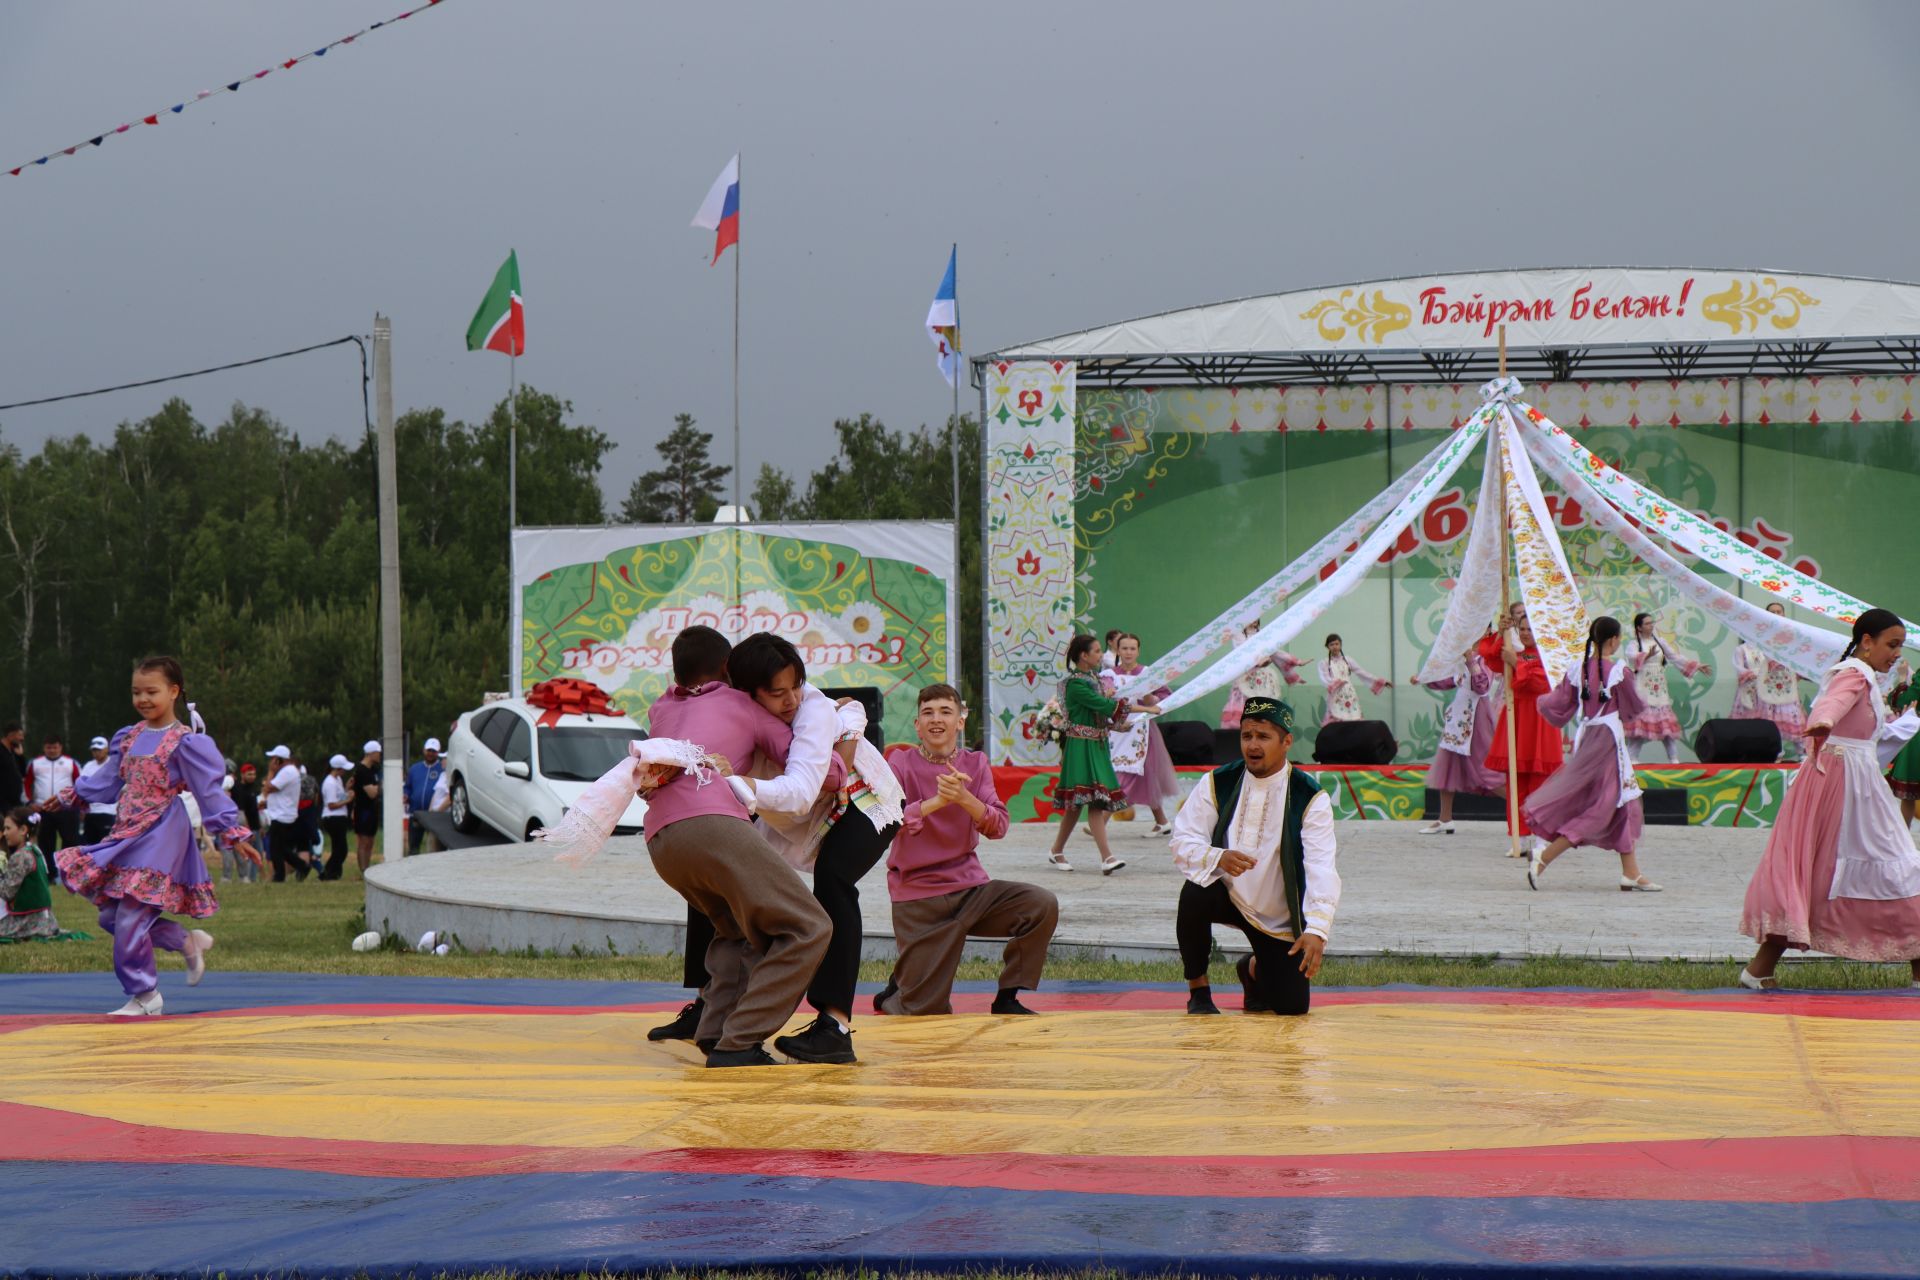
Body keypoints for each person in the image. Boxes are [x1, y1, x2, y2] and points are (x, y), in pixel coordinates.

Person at [643, 625, 836, 1067]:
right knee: (809, 927)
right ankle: (740, 1041)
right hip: (711, 824)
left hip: (661, 842)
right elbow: (813, 766)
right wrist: (842, 732)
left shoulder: (662, 708)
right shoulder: (740, 703)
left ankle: (713, 1033)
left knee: (733, 929)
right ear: (729, 671)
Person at [728, 633, 905, 1064]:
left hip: (867, 802)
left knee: (834, 879)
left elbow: (802, 790)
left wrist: (748, 785)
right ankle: (715, 1004)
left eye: (795, 686)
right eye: (777, 692)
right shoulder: (740, 717)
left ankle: (835, 1026)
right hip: (820, 816)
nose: (790, 699)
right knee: (730, 870)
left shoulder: (811, 709)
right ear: (749, 694)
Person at [55, 656, 262, 1015]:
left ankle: (145, 995)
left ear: (174, 691)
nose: (143, 699)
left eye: (152, 691)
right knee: (110, 917)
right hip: (128, 830)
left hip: (162, 832)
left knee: (131, 915)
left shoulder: (185, 742)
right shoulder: (130, 735)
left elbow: (208, 792)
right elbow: (108, 781)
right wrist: (72, 795)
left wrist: (232, 832)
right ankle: (186, 942)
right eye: (137, 692)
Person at [1739, 609, 1920, 990]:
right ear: (1866, 642)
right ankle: (1759, 968)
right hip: (1838, 784)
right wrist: (1823, 721)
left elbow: (1867, 740)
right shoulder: (1853, 674)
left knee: (1834, 871)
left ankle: (1759, 969)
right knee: (1887, 867)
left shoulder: (1867, 678)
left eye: (1899, 647)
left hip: (1853, 781)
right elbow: (1833, 705)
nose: (1895, 655)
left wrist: (1908, 721)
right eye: (1891, 645)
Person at [872, 684, 1055, 1016]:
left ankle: (1008, 997)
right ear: (917, 725)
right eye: (928, 713)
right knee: (925, 1011)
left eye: (945, 712)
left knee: (1040, 904)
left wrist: (964, 799)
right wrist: (937, 802)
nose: (936, 720)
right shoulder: (899, 763)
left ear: (960, 721)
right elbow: (887, 818)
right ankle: (896, 990)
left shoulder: (975, 762)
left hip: (971, 889)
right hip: (918, 895)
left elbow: (998, 826)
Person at [1170, 696, 1339, 1016]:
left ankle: (1252, 969)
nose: (1253, 745)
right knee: (1194, 891)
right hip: (1228, 895)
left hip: (1277, 918)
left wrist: (1318, 928)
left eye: (1263, 737)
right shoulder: (1218, 782)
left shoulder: (1309, 797)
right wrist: (1216, 857)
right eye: (1247, 736)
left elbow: (1321, 865)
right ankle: (1199, 992)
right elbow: (1183, 839)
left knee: (1292, 1008)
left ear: (1286, 741)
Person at [1522, 616, 1662, 892]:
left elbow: (1559, 704)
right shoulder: (1619, 671)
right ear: (1614, 640)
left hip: (1588, 737)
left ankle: (1631, 872)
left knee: (1625, 802)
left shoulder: (1577, 669)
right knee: (1603, 806)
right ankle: (1545, 857)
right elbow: (1633, 707)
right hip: (1609, 740)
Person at [1048, 634, 1159, 875]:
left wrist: (1115, 726)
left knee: (1095, 801)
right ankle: (1104, 857)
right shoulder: (1076, 684)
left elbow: (1099, 715)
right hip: (1080, 748)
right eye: (1097, 651)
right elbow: (1106, 706)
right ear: (1083, 656)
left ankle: (1068, 851)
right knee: (1081, 803)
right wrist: (1147, 708)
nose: (1101, 655)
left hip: (1096, 746)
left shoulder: (1094, 679)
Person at [1481, 606, 1563, 857]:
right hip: (1516, 718)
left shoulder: (1549, 657)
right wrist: (1501, 632)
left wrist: (1515, 662)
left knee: (1539, 783)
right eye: (1523, 629)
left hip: (1540, 722)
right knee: (1515, 782)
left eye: (1531, 630)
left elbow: (1539, 683)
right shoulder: (1517, 652)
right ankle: (1520, 836)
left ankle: (1540, 838)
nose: (1526, 634)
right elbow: (1492, 659)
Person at [1414, 637, 1503, 834]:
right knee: (1448, 766)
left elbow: (1483, 687)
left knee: (1486, 770)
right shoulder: (1462, 659)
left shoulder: (1485, 659)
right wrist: (1424, 679)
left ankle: (1522, 811)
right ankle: (1445, 818)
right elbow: (1449, 681)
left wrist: (1471, 660)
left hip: (1477, 718)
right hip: (1458, 718)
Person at [1111, 633, 1180, 836]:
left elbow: (1164, 698)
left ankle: (1103, 817)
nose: (1128, 652)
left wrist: (1148, 696)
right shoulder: (1109, 675)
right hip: (1117, 733)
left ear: (1138, 650)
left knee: (1137, 772)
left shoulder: (1148, 674)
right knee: (1138, 775)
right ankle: (1162, 821)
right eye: (1124, 648)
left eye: (1132, 648)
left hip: (1143, 732)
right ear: (1118, 650)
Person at [1622, 612, 1711, 763]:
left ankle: (1673, 759)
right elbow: (1630, 656)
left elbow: (1675, 657)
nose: (1651, 626)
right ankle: (1632, 759)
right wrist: (1645, 656)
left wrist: (1696, 665)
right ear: (1639, 627)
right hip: (1643, 686)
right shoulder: (1634, 644)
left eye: (1652, 622)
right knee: (1639, 727)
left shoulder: (1660, 641)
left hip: (1659, 688)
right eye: (1647, 623)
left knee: (1666, 727)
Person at [1732, 602, 1808, 762]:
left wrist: (1804, 673)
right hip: (1768, 686)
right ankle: (1777, 753)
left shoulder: (1792, 636)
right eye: (1772, 612)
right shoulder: (1761, 639)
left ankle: (1803, 753)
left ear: (1784, 614)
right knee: (1773, 721)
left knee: (1793, 717)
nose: (1776, 614)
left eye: (1779, 611)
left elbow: (1799, 659)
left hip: (1785, 685)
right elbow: (1759, 660)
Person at [1220, 620, 1306, 731]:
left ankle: (1260, 730)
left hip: (1261, 676)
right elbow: (1242, 650)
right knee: (1243, 704)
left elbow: (1275, 652)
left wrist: (1296, 661)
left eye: (1257, 618)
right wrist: (1257, 661)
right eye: (1252, 618)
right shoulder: (1238, 635)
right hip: (1246, 675)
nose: (1254, 621)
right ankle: (1240, 731)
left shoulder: (1263, 635)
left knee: (1263, 707)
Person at [0, 808, 60, 941]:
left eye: (8, 828)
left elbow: (6, 893)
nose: (4, 833)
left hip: (27, 921)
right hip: (46, 920)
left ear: (23, 830)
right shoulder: (36, 851)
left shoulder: (21, 856)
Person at [26, 735, 83, 856]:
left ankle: (68, 871)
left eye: (55, 747)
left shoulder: (70, 763)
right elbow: (26, 785)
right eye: (49, 747)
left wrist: (81, 806)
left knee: (70, 841)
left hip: (66, 808)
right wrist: (30, 802)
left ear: (60, 747)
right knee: (45, 843)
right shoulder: (35, 763)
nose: (52, 750)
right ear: (44, 748)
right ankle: (49, 873)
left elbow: (80, 785)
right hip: (43, 808)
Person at [1318, 634, 1390, 726]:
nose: (1335, 647)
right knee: (1336, 722)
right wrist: (1336, 683)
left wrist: (1381, 681)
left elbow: (1362, 672)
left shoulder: (1347, 660)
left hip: (1350, 694)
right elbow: (1324, 678)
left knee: (1354, 720)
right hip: (1335, 695)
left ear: (1340, 645)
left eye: (1337, 644)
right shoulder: (1324, 663)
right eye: (1332, 644)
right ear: (1327, 646)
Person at [261, 745, 307, 882]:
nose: (272, 762)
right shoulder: (288, 771)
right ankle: (301, 866)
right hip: (282, 813)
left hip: (282, 815)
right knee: (280, 848)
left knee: (275, 849)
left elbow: (269, 787)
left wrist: (271, 771)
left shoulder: (287, 771)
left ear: (280, 760)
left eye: (274, 759)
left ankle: (280, 876)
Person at [404, 738, 444, 857]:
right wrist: (405, 795)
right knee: (414, 847)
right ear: (424, 750)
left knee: (433, 847)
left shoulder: (442, 768)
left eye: (433, 751)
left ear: (438, 752)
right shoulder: (414, 769)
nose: (430, 753)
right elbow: (407, 787)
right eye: (428, 750)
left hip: (433, 814)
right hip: (416, 813)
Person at [79, 736, 119, 848]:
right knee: (89, 846)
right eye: (94, 750)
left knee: (106, 846)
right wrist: (82, 809)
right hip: (91, 813)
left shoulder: (114, 765)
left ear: (107, 749)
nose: (96, 753)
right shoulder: (88, 766)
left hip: (109, 812)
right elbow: (82, 788)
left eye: (99, 750)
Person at [349, 740, 382, 873]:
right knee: (364, 840)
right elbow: (372, 793)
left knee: (371, 840)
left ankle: (367, 868)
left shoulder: (373, 770)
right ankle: (363, 869)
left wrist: (376, 787)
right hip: (363, 810)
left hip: (372, 810)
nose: (380, 756)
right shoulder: (361, 771)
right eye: (378, 753)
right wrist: (380, 787)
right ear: (371, 753)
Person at [227, 762, 262, 883]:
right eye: (249, 774)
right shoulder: (239, 788)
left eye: (254, 774)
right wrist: (246, 827)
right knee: (248, 853)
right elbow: (241, 810)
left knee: (258, 852)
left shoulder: (252, 788)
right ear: (242, 774)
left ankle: (252, 878)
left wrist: (259, 826)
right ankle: (246, 877)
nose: (252, 776)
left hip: (255, 826)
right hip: (247, 827)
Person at [319, 755, 353, 880]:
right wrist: (348, 800)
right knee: (341, 850)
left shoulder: (337, 780)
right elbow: (332, 804)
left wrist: (346, 789)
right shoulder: (329, 783)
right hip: (333, 818)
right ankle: (326, 873)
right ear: (337, 768)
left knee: (338, 848)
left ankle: (334, 874)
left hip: (339, 817)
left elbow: (339, 798)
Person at [0, 724, 25, 807]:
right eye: (20, 735)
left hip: (15, 802)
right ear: (10, 735)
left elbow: (23, 774)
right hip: (3, 803)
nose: (22, 738)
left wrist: (21, 756)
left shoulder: (14, 753)